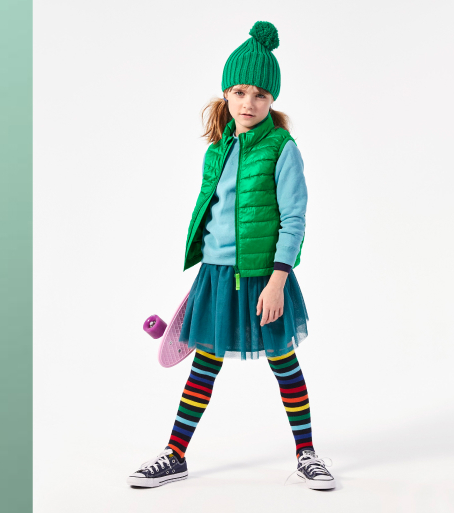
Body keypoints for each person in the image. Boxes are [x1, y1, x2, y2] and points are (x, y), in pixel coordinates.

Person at [125, 21, 332, 491]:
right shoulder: (216, 151)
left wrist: (278, 279)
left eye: (260, 94)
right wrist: (204, 272)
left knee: (284, 363)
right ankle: (175, 455)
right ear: (226, 93)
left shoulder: (282, 148)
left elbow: (293, 219)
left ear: (272, 100)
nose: (249, 102)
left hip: (264, 277)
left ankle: (307, 455)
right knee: (203, 367)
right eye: (240, 91)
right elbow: (212, 212)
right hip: (217, 278)